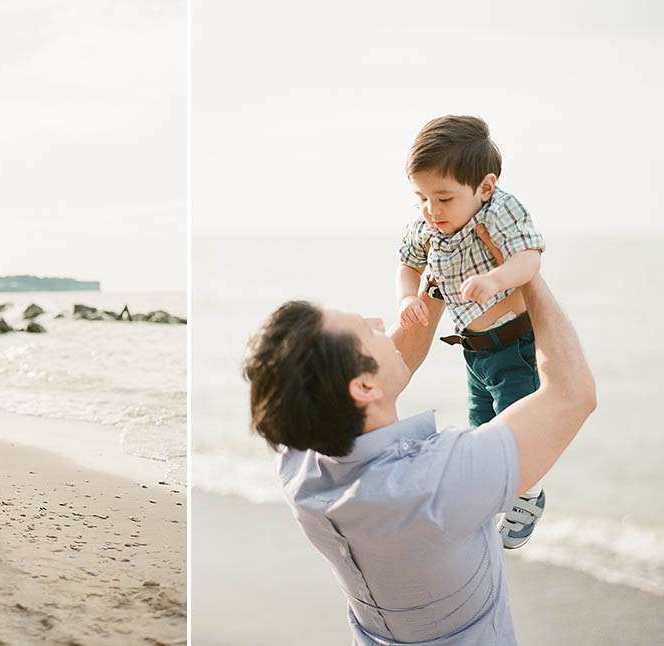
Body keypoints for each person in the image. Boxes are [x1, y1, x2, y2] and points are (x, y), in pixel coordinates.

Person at [243, 273, 596, 644]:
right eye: (367, 329)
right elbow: (573, 394)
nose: (381, 323)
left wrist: (436, 279)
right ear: (363, 387)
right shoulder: (434, 485)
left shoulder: (299, 464)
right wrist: (526, 271)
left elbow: (386, 368)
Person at [397, 115, 547, 548]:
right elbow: (408, 264)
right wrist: (409, 298)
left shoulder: (500, 210)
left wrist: (497, 279)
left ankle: (529, 494)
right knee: (482, 426)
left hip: (513, 343)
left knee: (518, 423)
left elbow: (530, 257)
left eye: (443, 198)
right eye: (421, 197)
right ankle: (493, 491)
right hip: (473, 351)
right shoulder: (428, 226)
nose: (431, 210)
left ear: (484, 187)